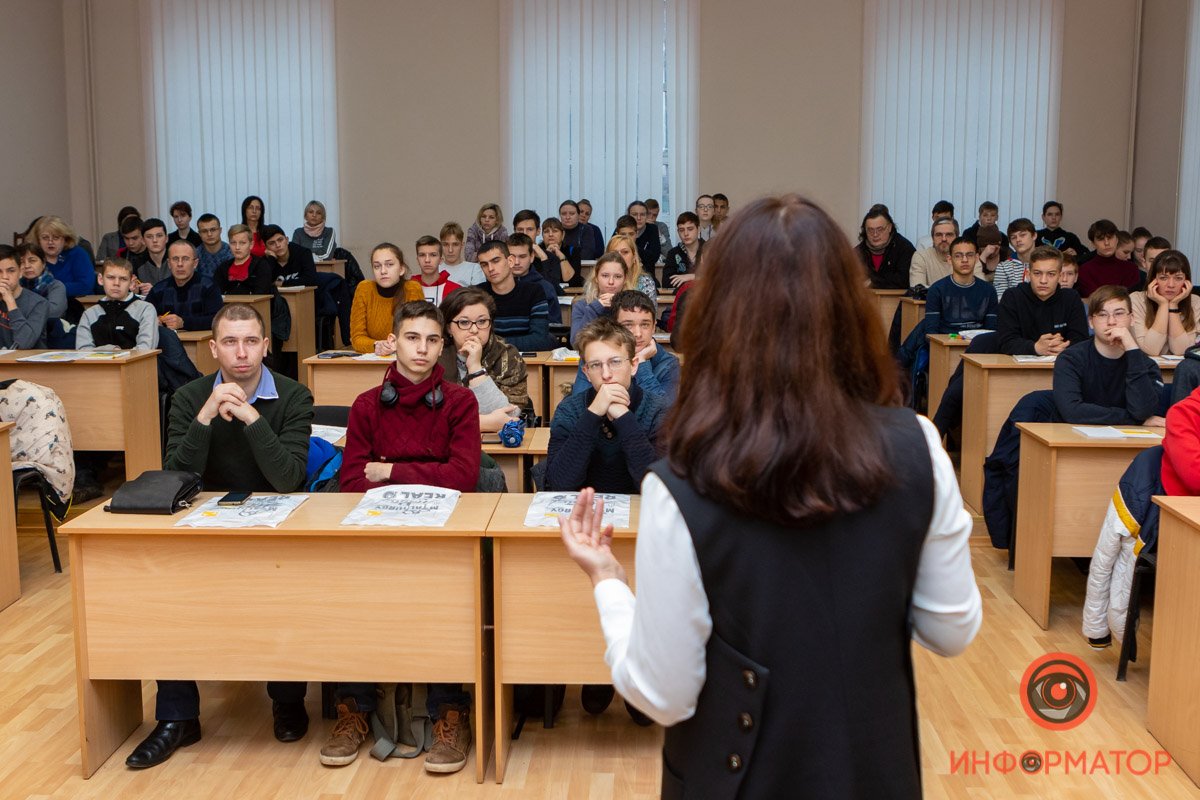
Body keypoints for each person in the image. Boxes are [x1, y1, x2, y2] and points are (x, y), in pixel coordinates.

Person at [558, 194, 981, 799]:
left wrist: (606, 580)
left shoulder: (680, 481)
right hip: (869, 771)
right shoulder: (919, 446)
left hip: (734, 773)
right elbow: (951, 630)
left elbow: (662, 694)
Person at [125, 303, 314, 770]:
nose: (242, 353)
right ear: (213, 349)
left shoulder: (294, 396)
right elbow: (176, 474)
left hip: (277, 527)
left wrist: (251, 418)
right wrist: (207, 416)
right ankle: (177, 719)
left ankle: (287, 700)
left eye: (251, 341)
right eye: (230, 342)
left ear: (266, 345)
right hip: (205, 525)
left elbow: (288, 477)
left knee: (283, 592)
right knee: (167, 593)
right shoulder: (190, 397)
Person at [326, 301, 479, 773]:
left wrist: (390, 470)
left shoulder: (460, 401)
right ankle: (355, 708)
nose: (423, 349)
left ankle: (449, 710)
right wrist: (429, 473)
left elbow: (465, 477)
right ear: (394, 342)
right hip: (377, 535)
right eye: (413, 338)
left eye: (434, 340)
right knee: (356, 597)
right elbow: (352, 482)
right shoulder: (367, 405)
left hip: (443, 539)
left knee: (447, 597)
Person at [931, 247, 1088, 437]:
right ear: (1028, 273)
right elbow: (1007, 341)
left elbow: (1081, 340)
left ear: (1060, 275)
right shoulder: (1013, 296)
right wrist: (1036, 347)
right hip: (1010, 358)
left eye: (1051, 274)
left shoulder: (1071, 299)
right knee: (957, 390)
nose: (1044, 280)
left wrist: (1063, 347)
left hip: (1057, 365)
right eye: (1037, 273)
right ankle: (932, 441)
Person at [546, 315, 667, 495]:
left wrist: (624, 418)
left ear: (633, 365)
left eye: (615, 362)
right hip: (584, 513)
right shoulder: (569, 409)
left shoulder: (658, 410)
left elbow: (658, 488)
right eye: (595, 365)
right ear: (586, 372)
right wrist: (593, 414)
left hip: (640, 515)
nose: (606, 374)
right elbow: (558, 484)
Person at [1053, 286, 1164, 426]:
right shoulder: (1070, 359)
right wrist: (1132, 420)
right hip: (1074, 439)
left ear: (1132, 319)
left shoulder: (1147, 366)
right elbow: (1072, 412)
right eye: (1102, 314)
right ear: (1091, 322)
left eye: (1119, 313)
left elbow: (1142, 411)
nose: (1111, 321)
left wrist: (1132, 350)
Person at [439, 286, 529, 431]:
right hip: (444, 443)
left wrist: (475, 369)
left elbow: (509, 416)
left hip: (496, 444)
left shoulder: (507, 355)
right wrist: (484, 422)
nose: (474, 330)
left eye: (482, 322)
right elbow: (426, 417)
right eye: (464, 322)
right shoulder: (435, 355)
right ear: (449, 328)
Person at [572, 290, 680, 404]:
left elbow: (665, 414)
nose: (638, 334)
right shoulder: (595, 358)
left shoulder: (668, 364)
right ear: (613, 326)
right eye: (628, 325)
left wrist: (642, 364)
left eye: (645, 325)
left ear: (654, 327)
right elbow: (579, 407)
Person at [477, 240, 555, 351]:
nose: (490, 269)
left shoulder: (533, 291)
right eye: (484, 265)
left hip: (529, 363)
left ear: (510, 261)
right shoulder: (477, 295)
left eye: (496, 261)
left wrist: (491, 344)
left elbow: (540, 340)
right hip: (487, 362)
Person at [349, 242, 425, 354]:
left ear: (401, 269)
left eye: (389, 265)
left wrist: (395, 346)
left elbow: (419, 332)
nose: (383, 271)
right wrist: (376, 345)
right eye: (377, 266)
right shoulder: (364, 289)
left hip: (407, 357)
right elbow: (357, 338)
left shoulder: (412, 288)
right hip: (373, 360)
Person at [76, 258, 159, 351]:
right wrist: (111, 350)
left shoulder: (145, 309)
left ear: (131, 283)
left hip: (135, 365)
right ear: (100, 279)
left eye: (123, 279)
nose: (116, 283)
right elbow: (82, 351)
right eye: (111, 277)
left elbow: (145, 349)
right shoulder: (89, 314)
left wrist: (118, 355)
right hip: (98, 365)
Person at [1129, 249, 1200, 356]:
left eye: (1178, 278)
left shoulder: (1195, 301)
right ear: (1153, 279)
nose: (1171, 284)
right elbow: (1151, 350)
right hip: (1146, 370)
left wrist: (1173, 305)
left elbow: (1181, 351)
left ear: (1187, 281)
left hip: (1181, 370)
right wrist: (1163, 305)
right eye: (1163, 278)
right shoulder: (1136, 299)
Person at [146, 240, 224, 332]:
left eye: (185, 259)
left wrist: (183, 323)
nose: (180, 264)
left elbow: (218, 320)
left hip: (200, 343)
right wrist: (155, 321)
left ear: (195, 263)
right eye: (175, 259)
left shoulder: (209, 286)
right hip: (166, 343)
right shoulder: (158, 289)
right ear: (169, 263)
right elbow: (144, 317)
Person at [924, 238, 998, 334]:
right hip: (945, 344)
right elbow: (931, 332)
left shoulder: (989, 290)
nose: (964, 260)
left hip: (978, 345)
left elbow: (991, 331)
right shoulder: (936, 289)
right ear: (950, 260)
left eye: (969, 255)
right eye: (958, 256)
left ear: (976, 258)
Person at [570, 252, 634, 344]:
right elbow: (575, 342)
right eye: (605, 276)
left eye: (617, 276)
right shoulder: (582, 305)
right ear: (596, 277)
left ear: (625, 279)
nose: (611, 282)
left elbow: (635, 340)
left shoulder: (633, 305)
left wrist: (621, 306)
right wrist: (595, 308)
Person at [31, 215, 95, 298]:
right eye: (45, 238)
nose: (50, 242)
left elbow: (85, 286)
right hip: (42, 307)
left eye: (56, 237)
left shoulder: (77, 253)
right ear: (38, 240)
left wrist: (50, 289)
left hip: (78, 304)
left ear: (65, 239)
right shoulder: (33, 258)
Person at [854, 204, 915, 290]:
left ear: (889, 227)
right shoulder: (857, 253)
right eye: (870, 230)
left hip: (896, 301)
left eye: (880, 229)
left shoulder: (904, 249)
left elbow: (903, 281)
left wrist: (872, 282)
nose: (875, 234)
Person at [16, 242, 68, 342]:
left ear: (43, 263)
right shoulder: (14, 287)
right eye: (21, 262)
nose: (27, 266)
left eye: (32, 261)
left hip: (51, 336)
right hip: (19, 334)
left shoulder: (55, 286)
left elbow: (54, 312)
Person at [0, 245, 48, 349]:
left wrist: (10, 302)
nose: (4, 277)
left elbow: (25, 343)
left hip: (27, 364)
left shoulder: (38, 303)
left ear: (21, 272)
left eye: (11, 271)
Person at [507, 233, 561, 324]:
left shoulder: (545, 287)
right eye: (512, 257)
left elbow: (554, 327)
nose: (516, 262)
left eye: (522, 256)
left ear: (531, 257)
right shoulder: (497, 286)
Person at [1078, 219, 1141, 297]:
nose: (1107, 243)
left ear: (1117, 240)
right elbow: (1095, 300)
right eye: (1101, 239)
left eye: (1110, 237)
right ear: (1093, 244)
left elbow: (1132, 299)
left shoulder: (1131, 269)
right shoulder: (1084, 270)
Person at [216, 224, 276, 296]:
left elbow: (261, 295)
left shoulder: (261, 266)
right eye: (233, 243)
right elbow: (216, 296)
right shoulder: (223, 268)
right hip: (227, 307)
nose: (237, 247)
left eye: (242, 243)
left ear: (251, 245)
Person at [909, 217, 963, 288]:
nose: (944, 239)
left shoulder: (969, 257)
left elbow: (980, 288)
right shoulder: (921, 257)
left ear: (957, 237)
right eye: (939, 235)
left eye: (949, 234)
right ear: (932, 238)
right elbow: (918, 289)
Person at [992, 218, 1038, 300]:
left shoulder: (1048, 263)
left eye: (1022, 235)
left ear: (1034, 236)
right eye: (1013, 237)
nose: (1018, 240)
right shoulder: (1003, 267)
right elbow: (1001, 300)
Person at [411, 234, 462, 306]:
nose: (427, 260)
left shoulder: (455, 290)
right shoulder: (407, 289)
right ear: (417, 260)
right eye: (422, 255)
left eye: (433, 255)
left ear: (441, 260)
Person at [606, 233, 657, 300]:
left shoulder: (645, 282)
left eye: (625, 252)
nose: (620, 256)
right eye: (614, 253)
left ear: (634, 257)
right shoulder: (598, 280)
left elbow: (649, 309)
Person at [663, 212, 703, 290]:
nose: (686, 233)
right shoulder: (673, 253)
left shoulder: (709, 249)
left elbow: (716, 278)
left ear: (698, 229)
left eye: (690, 229)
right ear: (678, 232)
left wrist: (691, 277)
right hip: (681, 297)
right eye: (681, 230)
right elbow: (666, 282)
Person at [439, 222, 485, 286]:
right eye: (446, 244)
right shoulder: (435, 270)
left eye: (455, 244)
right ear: (440, 246)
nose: (450, 250)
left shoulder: (474, 269)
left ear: (462, 245)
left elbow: (480, 295)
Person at [560, 199, 603, 265]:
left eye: (587, 214)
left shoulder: (590, 229)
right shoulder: (557, 228)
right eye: (581, 212)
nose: (583, 215)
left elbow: (591, 253)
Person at [134, 218, 171, 294]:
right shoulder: (136, 264)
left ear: (166, 238)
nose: (155, 240)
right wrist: (135, 291)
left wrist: (155, 290)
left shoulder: (177, 260)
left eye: (159, 236)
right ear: (143, 241)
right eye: (149, 237)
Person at [627, 201, 662, 272]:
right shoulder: (623, 228)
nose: (638, 218)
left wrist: (631, 246)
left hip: (647, 275)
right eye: (634, 214)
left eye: (642, 214)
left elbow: (653, 258)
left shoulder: (652, 229)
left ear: (646, 216)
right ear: (628, 216)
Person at [195, 213, 231, 280]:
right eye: (204, 231)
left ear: (220, 230)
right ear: (199, 234)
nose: (209, 234)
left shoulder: (231, 252)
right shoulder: (194, 255)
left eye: (213, 230)